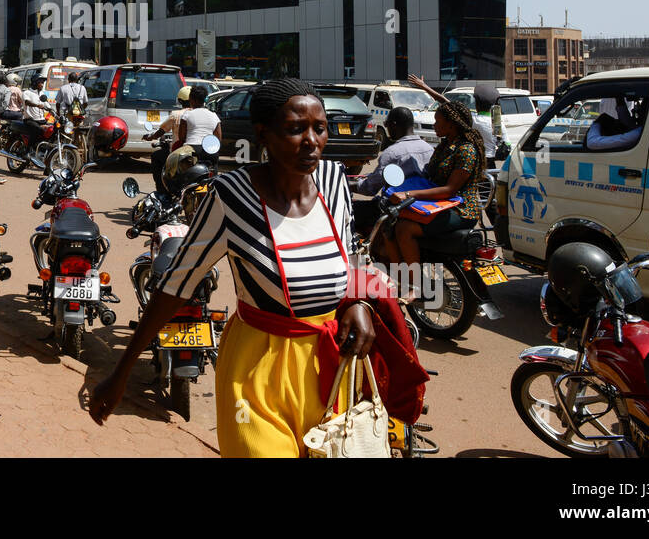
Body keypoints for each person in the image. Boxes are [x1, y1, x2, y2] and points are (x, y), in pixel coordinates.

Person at [89, 79, 418, 457]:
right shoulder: (230, 196)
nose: (311, 140)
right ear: (263, 134)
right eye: (296, 129)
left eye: (319, 127)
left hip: (330, 369)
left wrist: (358, 304)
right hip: (257, 372)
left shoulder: (334, 182)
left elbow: (350, 254)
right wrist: (121, 372)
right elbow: (175, 286)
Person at [382, 100, 485, 278]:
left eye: (438, 122)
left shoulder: (466, 150)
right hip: (438, 204)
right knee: (388, 219)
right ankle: (398, 275)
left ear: (451, 125)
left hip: (461, 211)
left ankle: (413, 283)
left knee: (403, 228)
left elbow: (449, 190)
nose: (435, 125)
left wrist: (408, 193)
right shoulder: (444, 146)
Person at [353, 106, 435, 231]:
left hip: (396, 207)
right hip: (422, 205)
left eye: (387, 125)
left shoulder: (392, 153)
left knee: (349, 209)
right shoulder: (429, 149)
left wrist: (345, 183)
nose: (387, 128)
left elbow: (369, 189)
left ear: (394, 125)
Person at [407, 74, 495, 160]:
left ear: (476, 104)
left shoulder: (474, 120)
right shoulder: (497, 123)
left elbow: (446, 102)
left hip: (475, 159)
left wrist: (424, 86)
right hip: (491, 161)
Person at [148, 85, 192, 193]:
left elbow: (161, 131)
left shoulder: (176, 115)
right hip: (197, 151)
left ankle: (161, 190)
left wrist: (150, 137)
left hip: (178, 153)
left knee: (156, 156)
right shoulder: (201, 114)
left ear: (180, 100)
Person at [173, 86, 222, 158]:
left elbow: (182, 137)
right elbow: (218, 138)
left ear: (192, 99)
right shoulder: (214, 116)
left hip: (190, 150)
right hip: (209, 151)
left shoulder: (186, 115)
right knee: (213, 165)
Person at [20, 75, 48, 152]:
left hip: (41, 120)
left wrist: (55, 113)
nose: (42, 84)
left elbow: (47, 105)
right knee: (39, 130)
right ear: (35, 83)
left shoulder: (42, 94)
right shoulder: (27, 93)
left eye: (43, 83)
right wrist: (37, 105)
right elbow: (27, 102)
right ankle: (28, 151)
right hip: (30, 120)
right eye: (40, 82)